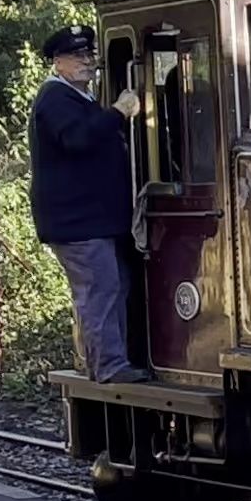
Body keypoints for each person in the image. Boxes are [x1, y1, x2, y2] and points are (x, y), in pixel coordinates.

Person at [33, 24, 148, 382]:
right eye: (77, 56)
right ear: (57, 63)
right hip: (77, 220)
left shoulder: (77, 99)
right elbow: (78, 139)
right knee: (99, 290)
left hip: (94, 217)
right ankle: (108, 367)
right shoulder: (55, 99)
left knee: (113, 285)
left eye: (90, 55)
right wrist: (117, 112)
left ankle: (114, 360)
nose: (88, 62)